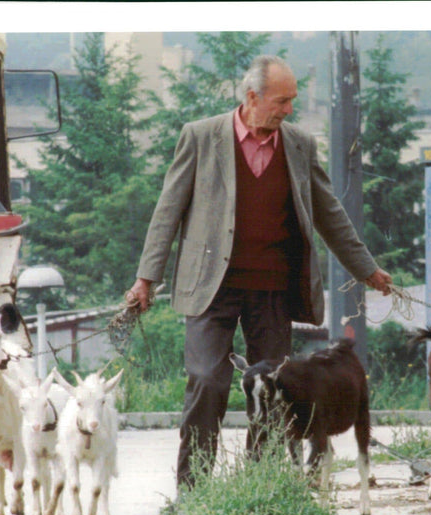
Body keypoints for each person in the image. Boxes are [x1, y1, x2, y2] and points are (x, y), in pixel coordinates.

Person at [127, 54, 392, 490]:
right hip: (211, 288)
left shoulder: (300, 145)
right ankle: (193, 493)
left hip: (273, 290)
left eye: (292, 101)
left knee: (275, 388)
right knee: (208, 379)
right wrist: (146, 279)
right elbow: (167, 211)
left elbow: (329, 212)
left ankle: (262, 487)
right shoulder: (200, 137)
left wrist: (366, 269)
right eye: (282, 101)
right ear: (253, 97)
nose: (289, 110)